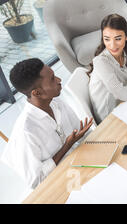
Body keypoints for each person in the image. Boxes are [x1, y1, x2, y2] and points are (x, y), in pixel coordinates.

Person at [1, 58, 94, 189]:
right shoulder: (26, 131)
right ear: (37, 93)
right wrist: (67, 145)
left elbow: (81, 133)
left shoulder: (56, 103)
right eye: (52, 79)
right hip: (61, 184)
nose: (59, 80)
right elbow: (37, 181)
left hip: (81, 165)